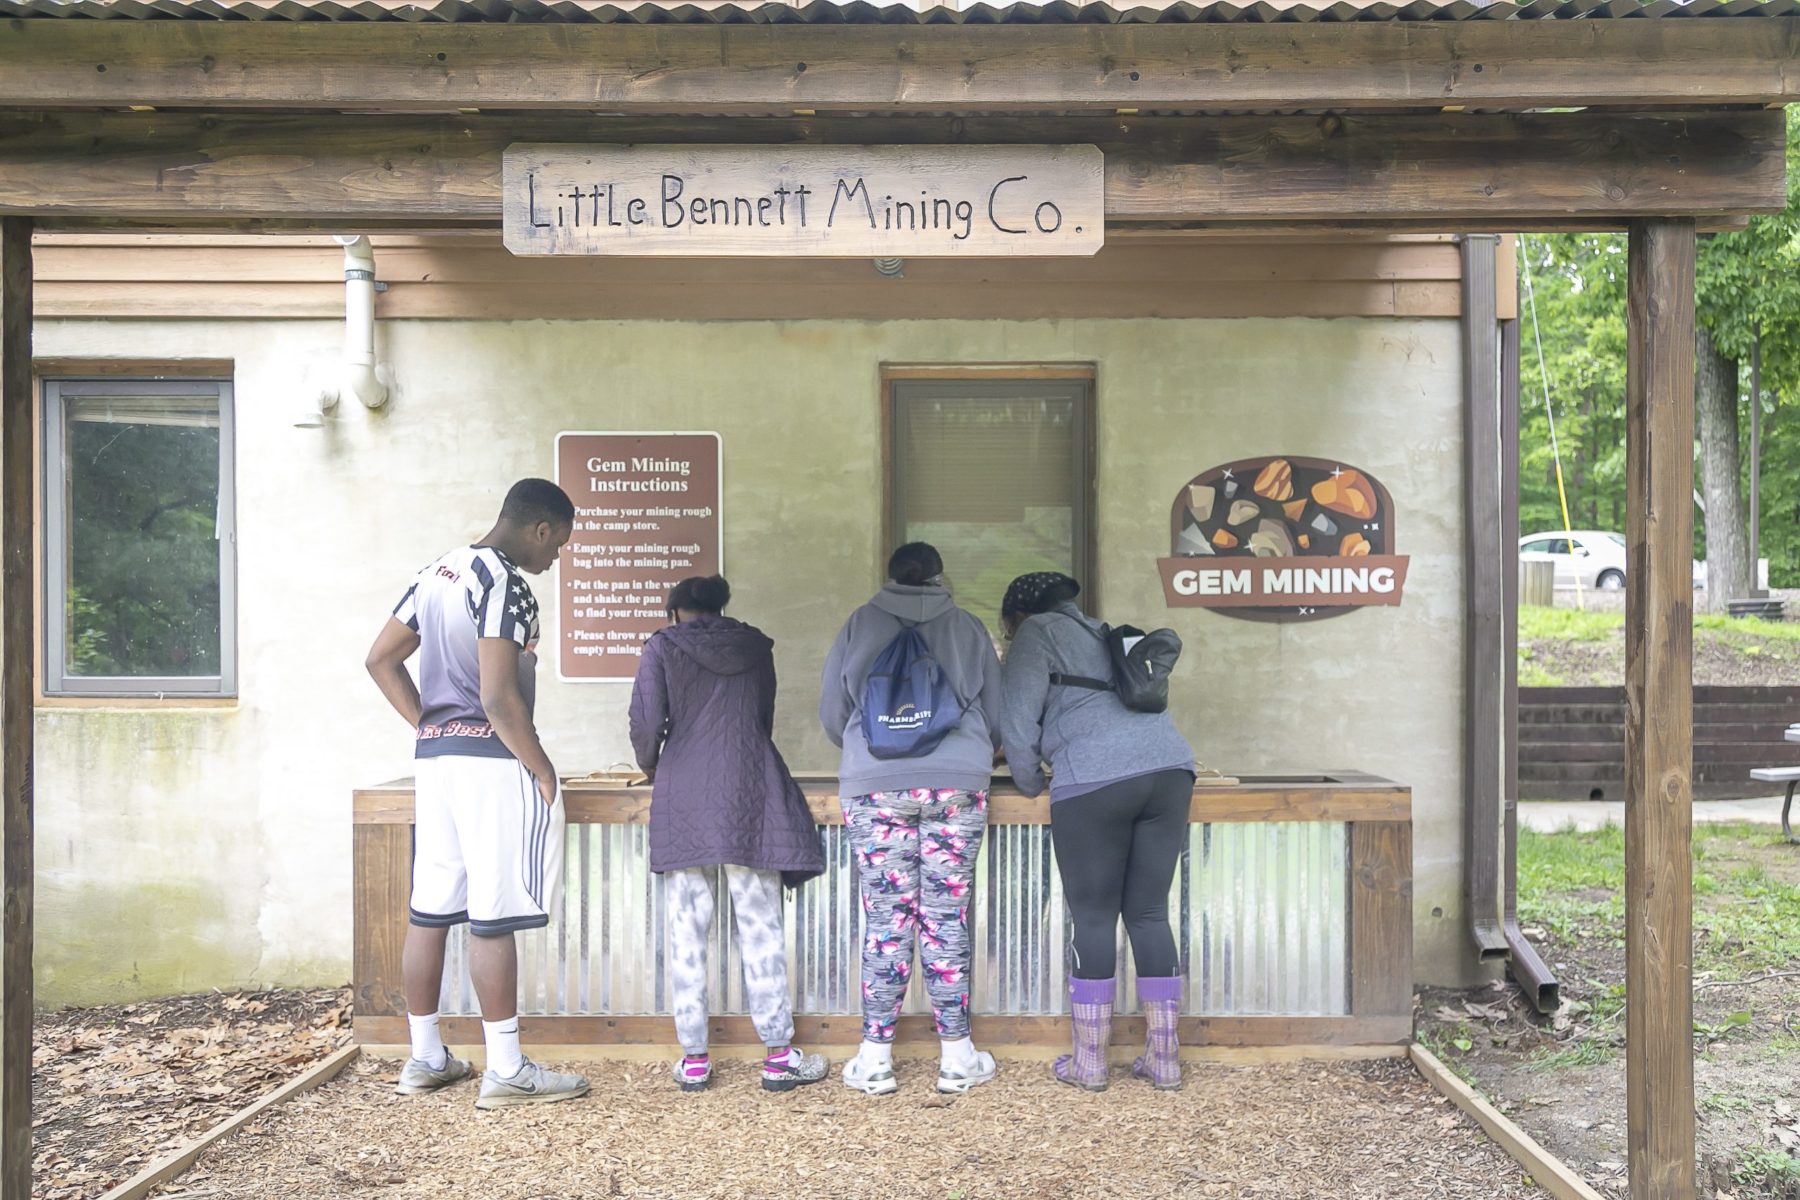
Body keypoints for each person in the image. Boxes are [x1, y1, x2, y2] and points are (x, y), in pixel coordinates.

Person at [364, 478, 590, 1109]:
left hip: (435, 762)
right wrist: (541, 767)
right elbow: (497, 696)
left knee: (431, 909)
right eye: (559, 544)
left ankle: (425, 1058)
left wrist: (430, 726)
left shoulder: (436, 573)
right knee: (493, 914)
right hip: (491, 763)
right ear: (539, 529)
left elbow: (380, 659)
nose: (556, 559)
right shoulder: (506, 583)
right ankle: (507, 1069)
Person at [995, 572, 1196, 1092]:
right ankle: (1165, 1061)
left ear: (1018, 614)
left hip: (1094, 777)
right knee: (1149, 913)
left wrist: (1028, 780)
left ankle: (1090, 1063)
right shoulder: (1105, 632)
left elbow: (1017, 720)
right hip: (1171, 770)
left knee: (1093, 916)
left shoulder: (1036, 632)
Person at [628, 574, 829, 1093]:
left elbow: (647, 723)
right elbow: (763, 716)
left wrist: (652, 765)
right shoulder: (756, 647)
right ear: (721, 608)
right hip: (749, 784)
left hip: (685, 791)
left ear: (676, 612)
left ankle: (695, 1059)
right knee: (761, 925)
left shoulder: (662, 646)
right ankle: (779, 1055)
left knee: (687, 927)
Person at [819, 542, 1003, 1096]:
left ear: (890, 575)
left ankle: (875, 1059)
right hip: (957, 784)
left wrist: (869, 753)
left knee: (887, 919)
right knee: (945, 917)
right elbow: (996, 712)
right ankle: (958, 1057)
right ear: (939, 577)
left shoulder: (859, 623)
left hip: (875, 787)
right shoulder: (967, 626)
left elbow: (832, 711)